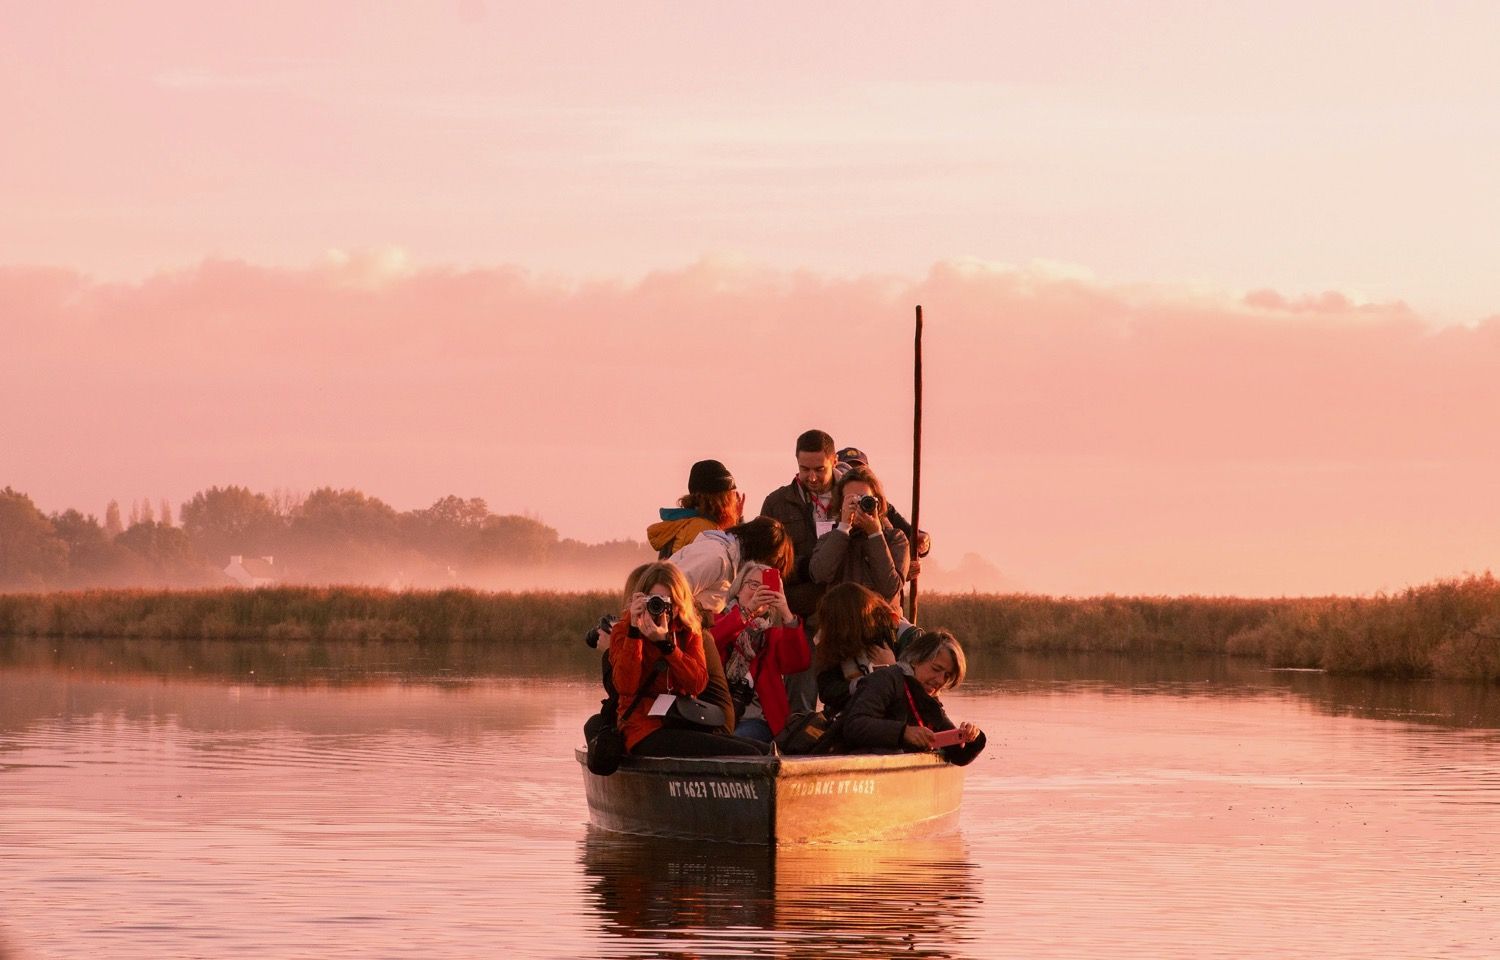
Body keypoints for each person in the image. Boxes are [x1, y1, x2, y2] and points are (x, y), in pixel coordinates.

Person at [607, 562, 766, 758]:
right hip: (643, 728)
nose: (662, 609)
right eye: (654, 600)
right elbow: (625, 686)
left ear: (679, 602)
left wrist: (667, 646)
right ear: (641, 599)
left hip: (681, 720)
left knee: (762, 750)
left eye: (669, 602)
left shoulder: (688, 629)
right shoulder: (624, 631)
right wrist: (635, 632)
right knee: (747, 753)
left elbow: (697, 684)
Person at [820, 629, 986, 766]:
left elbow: (958, 755)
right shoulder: (885, 679)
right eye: (936, 669)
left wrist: (972, 737)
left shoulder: (929, 700)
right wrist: (903, 733)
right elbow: (854, 726)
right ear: (916, 659)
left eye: (947, 675)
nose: (940, 680)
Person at [760, 429, 839, 711]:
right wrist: (809, 568)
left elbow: (890, 524)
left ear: (834, 460)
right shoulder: (777, 503)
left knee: (848, 689)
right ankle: (798, 737)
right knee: (800, 688)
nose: (812, 477)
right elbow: (766, 562)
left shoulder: (854, 494)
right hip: (799, 614)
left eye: (819, 469)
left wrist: (920, 543)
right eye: (804, 469)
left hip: (845, 613)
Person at [709, 562, 811, 742]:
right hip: (715, 711)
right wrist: (747, 613)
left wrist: (786, 613)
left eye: (766, 587)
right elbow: (711, 642)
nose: (759, 591)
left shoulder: (772, 633)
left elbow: (798, 663)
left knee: (735, 743)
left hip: (755, 718)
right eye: (753, 585)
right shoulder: (717, 619)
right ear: (739, 589)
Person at [809, 465, 910, 607]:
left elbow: (890, 588)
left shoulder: (895, 539)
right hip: (841, 622)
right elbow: (819, 574)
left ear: (878, 503)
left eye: (864, 499)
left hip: (881, 622)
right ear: (840, 504)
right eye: (851, 500)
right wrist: (843, 528)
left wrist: (875, 534)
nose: (858, 505)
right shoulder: (830, 538)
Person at [668, 516, 792, 620]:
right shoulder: (716, 558)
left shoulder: (731, 565)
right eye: (770, 562)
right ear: (761, 551)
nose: (765, 569)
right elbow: (669, 591)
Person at [812, 581, 901, 719]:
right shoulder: (831, 641)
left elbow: (914, 690)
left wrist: (893, 667)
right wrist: (861, 685)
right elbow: (827, 690)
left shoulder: (894, 633)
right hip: (851, 714)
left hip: (889, 716)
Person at [647, 459, 744, 559]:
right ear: (724, 500)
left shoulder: (688, 523)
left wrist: (737, 523)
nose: (735, 501)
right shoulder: (704, 531)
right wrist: (738, 523)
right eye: (732, 495)